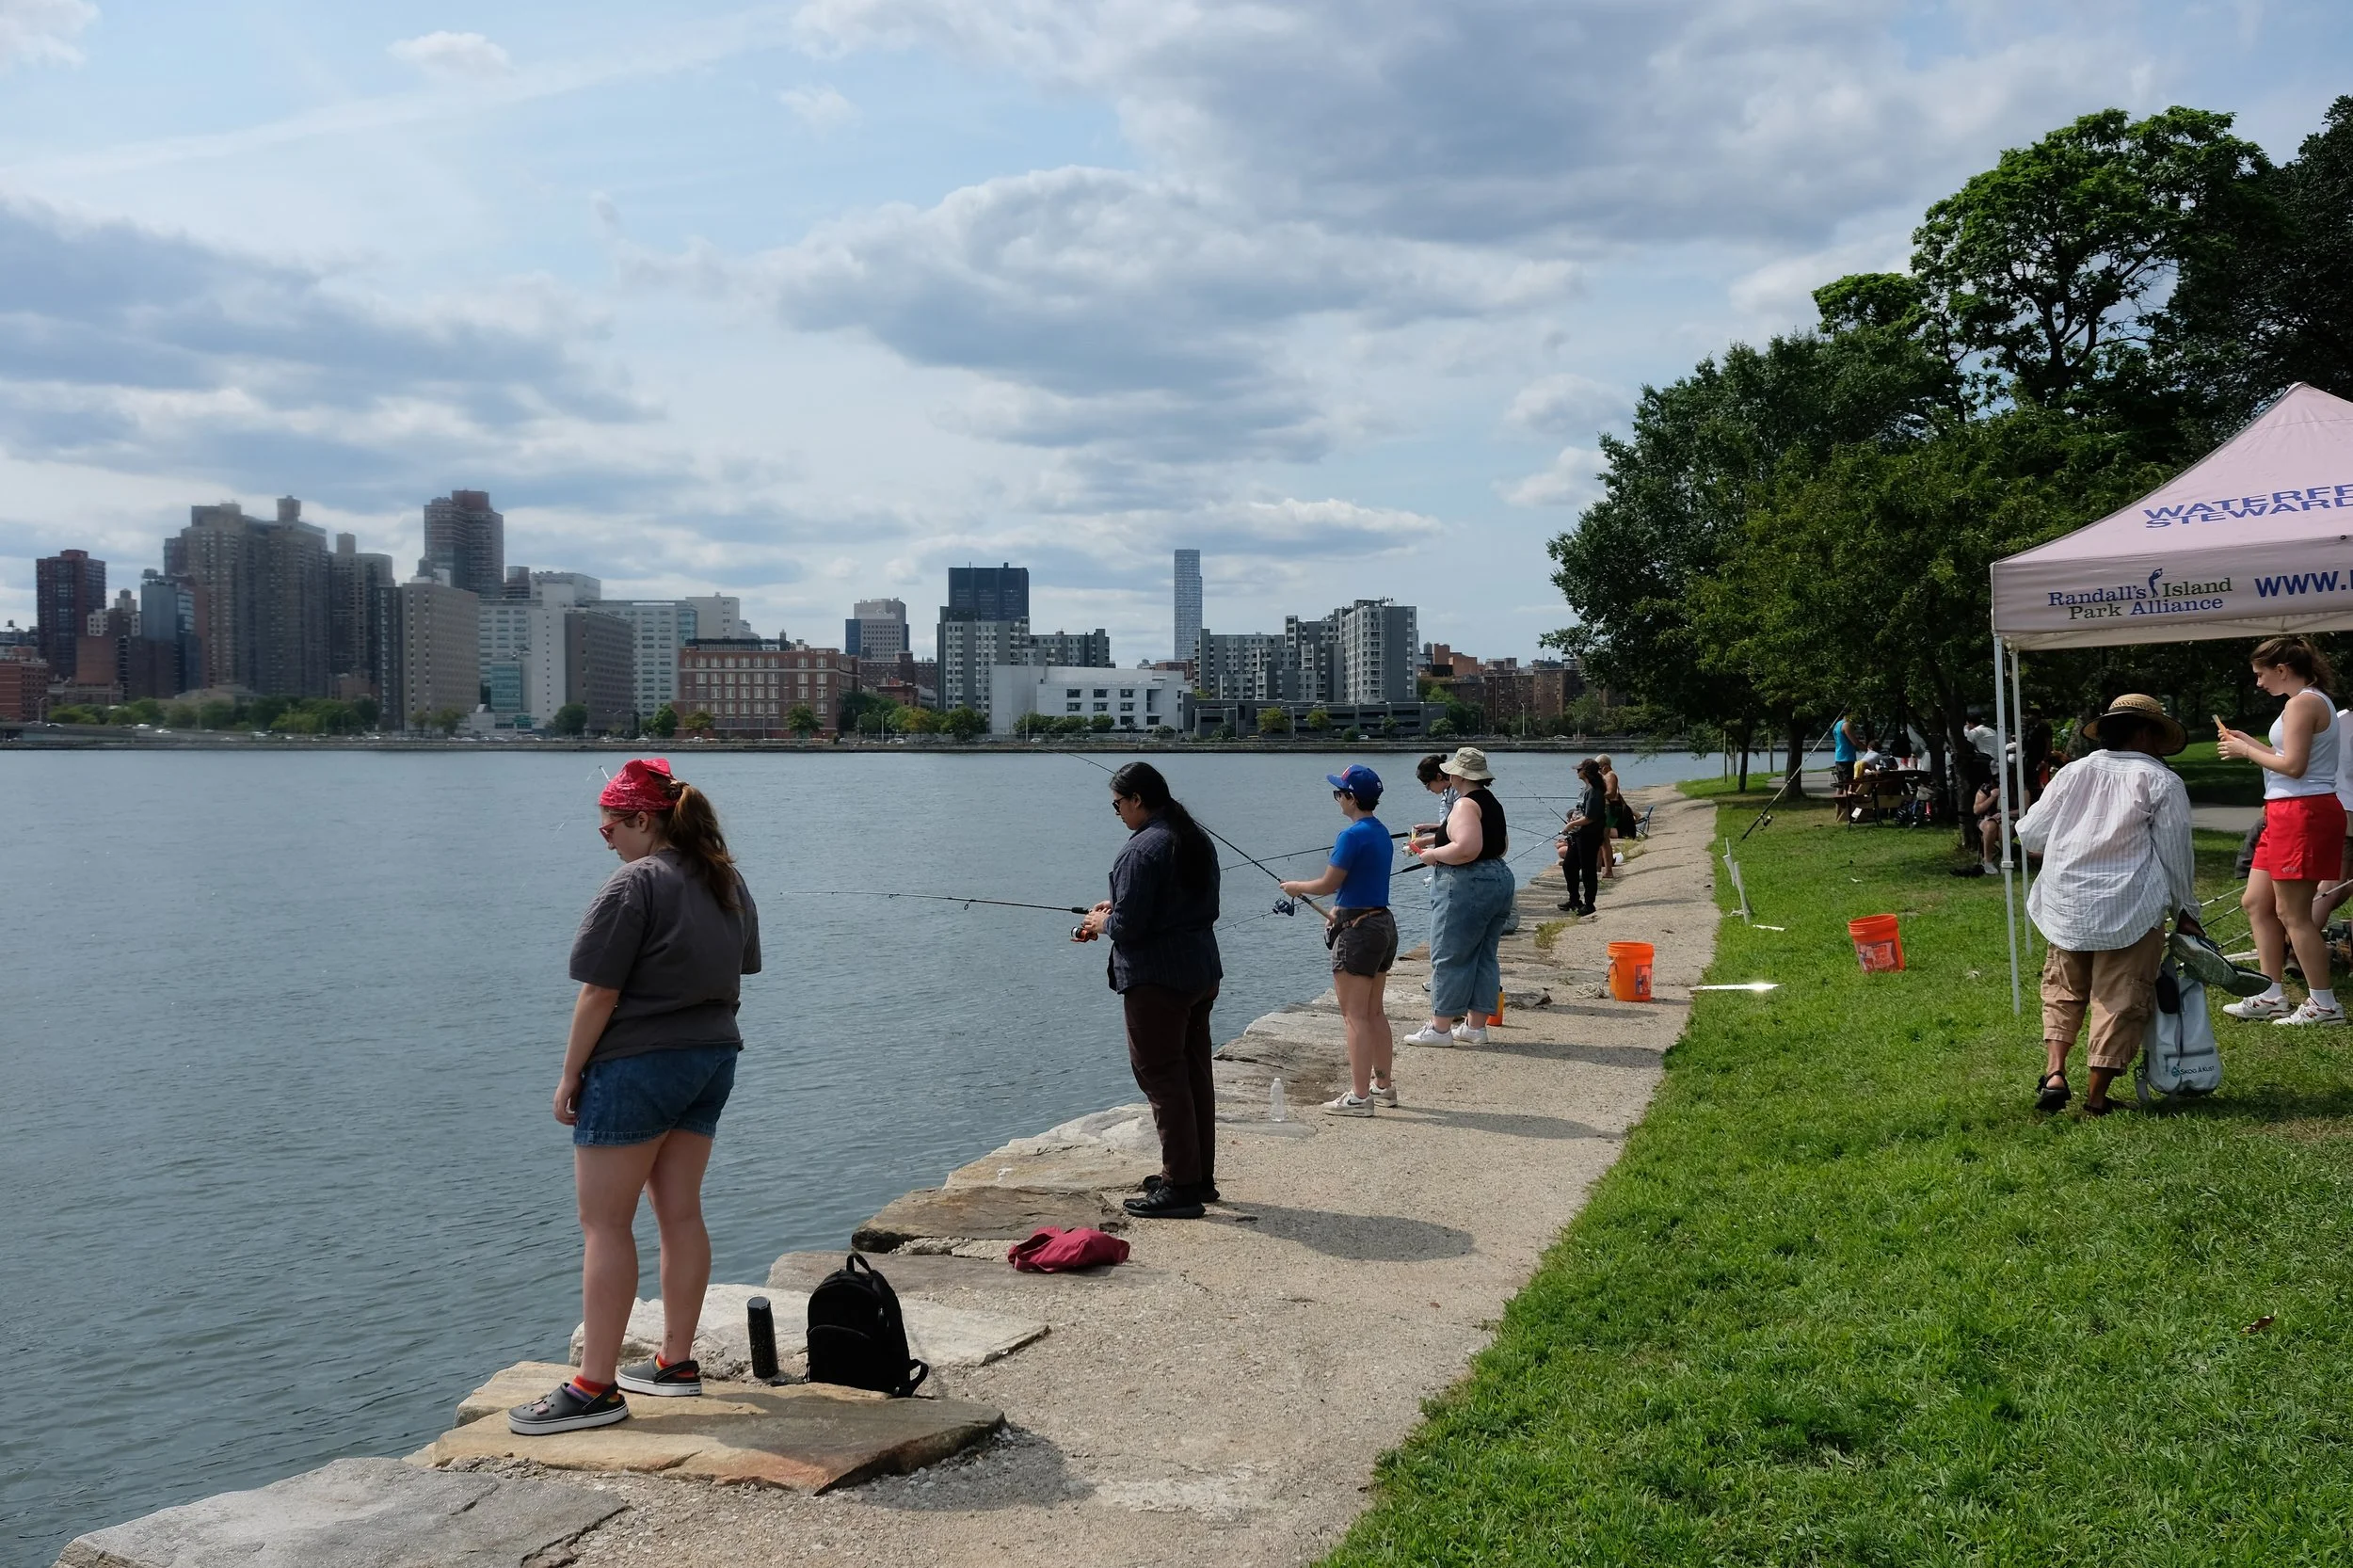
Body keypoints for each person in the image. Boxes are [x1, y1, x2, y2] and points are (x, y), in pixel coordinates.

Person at [509, 759, 761, 1436]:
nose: (604, 835)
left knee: (604, 1223)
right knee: (680, 1213)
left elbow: (599, 991)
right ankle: (675, 1364)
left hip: (638, 1064)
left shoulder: (635, 884)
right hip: (712, 1058)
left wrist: (570, 1075)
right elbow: (742, 966)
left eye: (611, 823)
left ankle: (594, 1387)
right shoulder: (726, 879)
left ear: (643, 820)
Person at [2017, 696, 2202, 1115]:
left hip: (2067, 901)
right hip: (2129, 904)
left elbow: (2030, 834)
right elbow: (2175, 855)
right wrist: (2187, 910)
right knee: (2120, 997)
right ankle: (2097, 1098)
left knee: (2064, 990)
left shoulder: (2074, 772)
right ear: (2145, 732)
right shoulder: (2161, 782)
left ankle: (2055, 1073)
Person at [1075, 762, 1225, 1217]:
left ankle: (1179, 1186)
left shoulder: (1140, 851)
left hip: (1157, 981)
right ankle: (1197, 1176)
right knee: (1195, 1073)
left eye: (1118, 804)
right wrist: (1117, 908)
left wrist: (1105, 921)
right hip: (1199, 972)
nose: (1117, 812)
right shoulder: (1193, 837)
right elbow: (1194, 905)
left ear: (1137, 799)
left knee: (1161, 1076)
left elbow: (1132, 927)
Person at [2218, 634, 2345, 1024]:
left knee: (2294, 914)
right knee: (2256, 902)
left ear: (2282, 670)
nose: (2258, 683)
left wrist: (2245, 751)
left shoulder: (2303, 703)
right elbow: (2289, 757)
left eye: (2261, 674)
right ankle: (2270, 993)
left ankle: (2324, 1005)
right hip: (2286, 811)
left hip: (2302, 812)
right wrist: (2252, 744)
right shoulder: (2304, 702)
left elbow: (2294, 767)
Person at [1279, 765, 1398, 1115]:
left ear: (1350, 798)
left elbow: (1329, 884)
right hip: (1382, 923)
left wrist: (1295, 887)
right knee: (1375, 1012)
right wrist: (1338, 913)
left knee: (1355, 1017)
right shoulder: (1379, 831)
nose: (1337, 799)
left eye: (1339, 794)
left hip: (1359, 933)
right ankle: (1384, 1087)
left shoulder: (1352, 835)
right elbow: (1358, 886)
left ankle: (1360, 1097)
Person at [1401, 747, 1514, 1048]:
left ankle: (1440, 1029)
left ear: (1457, 774)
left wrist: (1432, 855)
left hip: (1467, 882)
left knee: (1448, 954)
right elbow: (1502, 847)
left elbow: (1467, 848)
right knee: (1483, 955)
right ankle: (1475, 1027)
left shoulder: (1464, 805)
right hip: (1499, 879)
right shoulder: (1492, 803)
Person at [1556, 758, 1607, 916]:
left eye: (1580, 769)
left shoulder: (1595, 792)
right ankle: (1574, 900)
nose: (1577, 772)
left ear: (1587, 772)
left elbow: (1591, 817)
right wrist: (1573, 819)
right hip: (1578, 835)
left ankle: (1589, 904)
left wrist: (1570, 825)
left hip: (1589, 836)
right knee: (1569, 866)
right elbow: (1582, 811)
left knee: (1588, 870)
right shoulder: (1587, 788)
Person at [1833, 712, 1862, 792]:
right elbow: (1855, 742)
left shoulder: (1837, 724)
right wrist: (1867, 748)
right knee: (1848, 784)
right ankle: (1847, 802)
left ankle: (1839, 802)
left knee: (1841, 784)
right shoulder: (1846, 725)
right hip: (1847, 758)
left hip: (1839, 757)